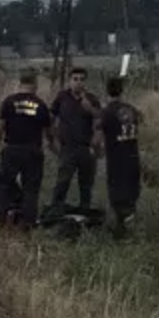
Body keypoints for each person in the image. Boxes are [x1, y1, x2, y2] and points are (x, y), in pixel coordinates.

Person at [0, 72, 55, 230]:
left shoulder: (9, 102)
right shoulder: (41, 104)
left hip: (12, 149)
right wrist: (52, 146)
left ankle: (0, 221)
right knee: (31, 189)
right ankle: (28, 224)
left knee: (5, 185)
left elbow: (0, 128)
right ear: (35, 84)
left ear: (20, 83)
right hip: (33, 150)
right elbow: (49, 132)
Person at [49, 66, 101, 212]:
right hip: (67, 148)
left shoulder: (92, 99)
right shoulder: (62, 97)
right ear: (69, 81)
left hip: (85, 148)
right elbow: (51, 118)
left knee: (86, 185)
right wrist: (52, 139)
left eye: (82, 80)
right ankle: (55, 211)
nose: (78, 83)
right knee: (62, 182)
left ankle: (84, 213)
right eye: (75, 79)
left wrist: (89, 108)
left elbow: (100, 121)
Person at [96, 76, 143, 236]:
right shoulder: (132, 110)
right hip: (133, 158)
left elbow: (98, 136)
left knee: (117, 197)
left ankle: (123, 231)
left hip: (117, 161)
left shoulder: (106, 112)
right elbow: (140, 120)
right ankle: (130, 226)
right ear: (122, 91)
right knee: (131, 195)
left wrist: (96, 150)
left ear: (106, 90)